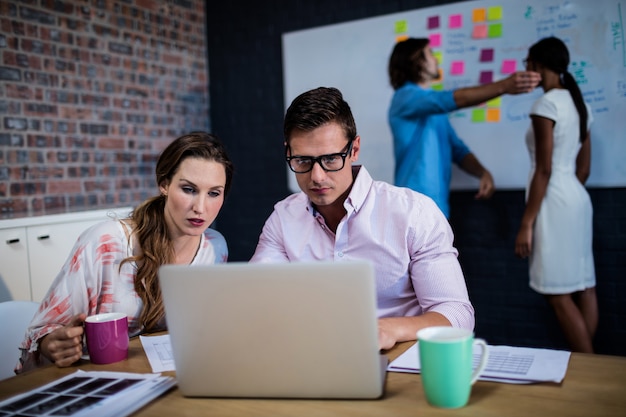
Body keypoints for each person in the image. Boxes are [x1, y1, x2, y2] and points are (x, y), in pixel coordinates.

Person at [250, 86, 474, 350]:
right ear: (288, 153)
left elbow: (457, 315)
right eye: (302, 161)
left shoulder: (414, 213)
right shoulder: (282, 219)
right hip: (313, 359)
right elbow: (258, 299)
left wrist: (389, 328)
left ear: (354, 149)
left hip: (400, 362)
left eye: (331, 159)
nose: (317, 177)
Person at [16, 131, 234, 372]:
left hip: (171, 378)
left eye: (214, 193)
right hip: (100, 380)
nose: (200, 207)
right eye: (188, 189)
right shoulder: (105, 242)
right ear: (164, 184)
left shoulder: (214, 248)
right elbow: (41, 332)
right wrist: (51, 343)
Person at [387, 37, 541, 217]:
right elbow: (448, 100)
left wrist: (482, 172)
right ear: (416, 60)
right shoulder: (404, 98)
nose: (436, 59)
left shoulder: (435, 111)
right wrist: (504, 86)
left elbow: (457, 149)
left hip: (438, 208)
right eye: (430, 53)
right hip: (411, 207)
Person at [514, 37, 597, 353]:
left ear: (539, 65)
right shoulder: (581, 105)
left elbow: (544, 169)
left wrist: (527, 223)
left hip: (552, 200)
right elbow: (584, 169)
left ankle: (588, 366)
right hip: (576, 197)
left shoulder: (545, 105)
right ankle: (594, 366)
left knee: (557, 293)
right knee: (585, 285)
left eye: (527, 63)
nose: (525, 69)